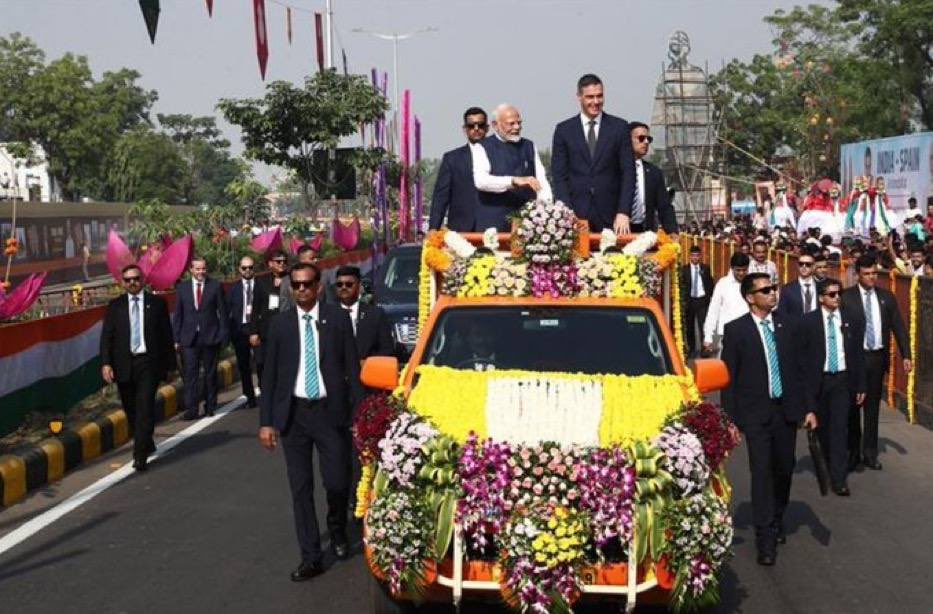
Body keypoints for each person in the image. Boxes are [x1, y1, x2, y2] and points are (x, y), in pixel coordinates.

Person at [258, 263, 363, 581]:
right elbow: (270, 374)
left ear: (319, 286)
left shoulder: (338, 320)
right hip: (294, 416)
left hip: (330, 413)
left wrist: (359, 416)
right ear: (291, 288)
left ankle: (337, 526)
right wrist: (266, 422)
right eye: (296, 285)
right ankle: (311, 557)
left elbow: (352, 370)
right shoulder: (280, 325)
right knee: (300, 489)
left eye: (307, 284)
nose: (302, 290)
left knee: (337, 482)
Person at [721, 272, 815, 566]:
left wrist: (808, 408)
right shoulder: (737, 330)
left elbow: (801, 370)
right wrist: (730, 420)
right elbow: (729, 379)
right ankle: (765, 536)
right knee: (761, 472)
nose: (773, 294)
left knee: (783, 469)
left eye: (774, 288)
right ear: (751, 297)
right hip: (755, 414)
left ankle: (776, 518)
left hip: (785, 411)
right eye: (766, 290)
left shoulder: (788, 326)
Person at [100, 264, 176, 471]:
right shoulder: (115, 306)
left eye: (135, 279)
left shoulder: (156, 304)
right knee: (131, 409)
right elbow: (107, 336)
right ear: (122, 283)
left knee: (144, 407)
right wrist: (106, 363)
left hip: (148, 363)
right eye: (128, 280)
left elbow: (166, 336)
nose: (132, 282)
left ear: (142, 280)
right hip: (124, 363)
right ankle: (146, 440)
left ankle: (139, 454)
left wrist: (171, 365)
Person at [840, 255, 912, 471]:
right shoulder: (847, 298)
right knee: (853, 407)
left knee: (872, 408)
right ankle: (853, 451)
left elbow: (898, 327)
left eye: (874, 274)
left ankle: (869, 452)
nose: (871, 278)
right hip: (855, 359)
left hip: (876, 358)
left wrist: (906, 354)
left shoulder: (886, 297)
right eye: (867, 274)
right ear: (858, 275)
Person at [798, 278, 866, 496]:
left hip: (842, 380)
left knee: (839, 429)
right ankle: (825, 463)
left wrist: (860, 384)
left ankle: (838, 479)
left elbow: (857, 354)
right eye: (832, 294)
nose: (837, 298)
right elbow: (802, 359)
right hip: (819, 381)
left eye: (839, 294)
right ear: (821, 298)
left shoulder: (851, 318)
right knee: (823, 428)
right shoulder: (808, 322)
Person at [550, 74, 636, 234]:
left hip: (613, 216)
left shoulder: (619, 127)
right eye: (590, 97)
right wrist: (567, 213)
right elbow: (559, 176)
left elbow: (628, 172)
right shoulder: (564, 130)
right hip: (576, 216)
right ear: (579, 97)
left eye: (599, 96)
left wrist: (624, 211)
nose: (596, 102)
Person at [471, 104, 552, 231]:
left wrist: (548, 212)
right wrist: (513, 181)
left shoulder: (529, 146)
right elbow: (481, 181)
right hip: (493, 223)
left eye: (519, 123)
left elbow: (541, 181)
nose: (517, 127)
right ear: (495, 125)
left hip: (526, 222)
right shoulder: (482, 147)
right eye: (511, 123)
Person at [173, 257, 228, 420]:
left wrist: (223, 335)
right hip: (189, 339)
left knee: (210, 374)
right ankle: (192, 409)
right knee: (191, 375)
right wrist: (176, 339)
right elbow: (178, 315)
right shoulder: (182, 288)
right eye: (197, 269)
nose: (201, 272)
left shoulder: (215, 286)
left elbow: (223, 314)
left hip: (210, 337)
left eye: (203, 269)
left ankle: (210, 405)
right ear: (191, 270)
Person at [428, 107, 489, 231]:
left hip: (494, 228)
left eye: (480, 125)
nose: (476, 129)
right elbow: (441, 197)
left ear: (487, 128)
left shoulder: (499, 155)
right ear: (465, 129)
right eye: (471, 126)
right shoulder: (452, 159)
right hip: (461, 230)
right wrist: (433, 228)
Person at [621, 122, 678, 235]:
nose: (646, 142)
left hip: (645, 233)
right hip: (618, 232)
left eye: (649, 139)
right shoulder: (613, 169)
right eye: (641, 138)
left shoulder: (654, 173)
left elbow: (664, 206)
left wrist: (672, 232)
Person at [226, 256, 266, 408]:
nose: (248, 270)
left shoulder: (262, 286)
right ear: (239, 269)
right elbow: (227, 311)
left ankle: (264, 391)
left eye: (250, 267)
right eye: (244, 268)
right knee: (244, 365)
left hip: (258, 329)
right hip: (240, 330)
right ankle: (249, 396)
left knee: (261, 363)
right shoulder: (234, 289)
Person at [333, 265, 393, 361]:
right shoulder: (327, 314)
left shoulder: (375, 314)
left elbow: (387, 349)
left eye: (349, 284)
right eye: (339, 284)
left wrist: (368, 363)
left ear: (359, 286)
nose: (343, 287)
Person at [255, 249, 293, 385]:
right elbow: (256, 307)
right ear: (270, 263)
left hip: (288, 328)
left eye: (284, 261)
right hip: (267, 330)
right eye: (278, 261)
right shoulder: (261, 281)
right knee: (263, 363)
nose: (282, 264)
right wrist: (254, 332)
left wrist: (284, 284)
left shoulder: (292, 278)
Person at [702, 253, 750, 356]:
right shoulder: (723, 284)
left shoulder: (752, 284)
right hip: (727, 336)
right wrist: (708, 336)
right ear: (732, 268)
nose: (741, 273)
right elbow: (713, 311)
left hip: (749, 334)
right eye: (738, 270)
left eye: (744, 270)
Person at [680, 245, 713, 357]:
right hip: (690, 301)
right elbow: (682, 286)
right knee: (690, 327)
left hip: (702, 300)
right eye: (693, 255)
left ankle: (705, 348)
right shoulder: (684, 270)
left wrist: (710, 298)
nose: (695, 258)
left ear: (700, 256)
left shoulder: (705, 268)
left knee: (703, 325)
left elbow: (710, 284)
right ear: (690, 256)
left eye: (697, 255)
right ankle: (692, 349)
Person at [776, 253, 818, 317]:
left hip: (817, 325)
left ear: (814, 267)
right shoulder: (787, 289)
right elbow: (782, 313)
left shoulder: (821, 287)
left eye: (808, 264)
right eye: (801, 264)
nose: (804, 267)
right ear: (797, 266)